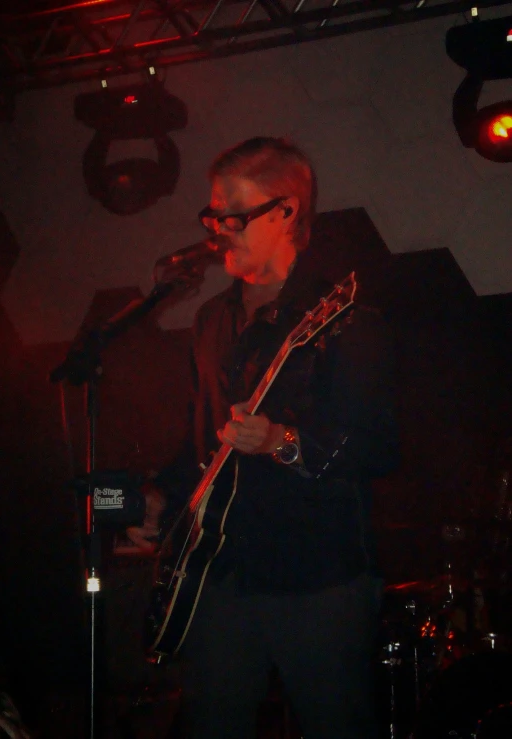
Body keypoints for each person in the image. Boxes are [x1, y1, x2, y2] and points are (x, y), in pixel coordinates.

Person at [152, 136, 400, 739]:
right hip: (222, 574)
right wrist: (161, 501)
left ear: (286, 211)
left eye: (234, 214)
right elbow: (200, 441)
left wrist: (282, 442)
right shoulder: (212, 320)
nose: (219, 228)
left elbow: (377, 446)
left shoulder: (342, 314)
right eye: (213, 214)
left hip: (317, 579)